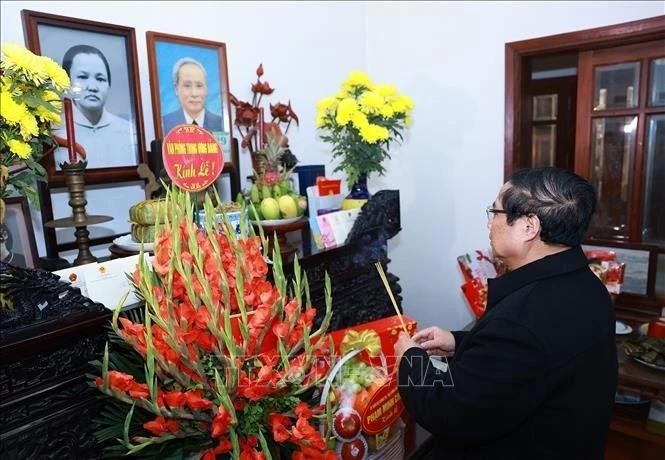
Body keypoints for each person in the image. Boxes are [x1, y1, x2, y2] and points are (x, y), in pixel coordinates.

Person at [395, 167, 617, 459]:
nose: (489, 223)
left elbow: (451, 411)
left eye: (495, 211)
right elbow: (523, 367)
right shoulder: (587, 285)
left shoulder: (522, 321)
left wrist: (409, 362)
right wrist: (458, 341)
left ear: (528, 227)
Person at [52, 45, 137, 169]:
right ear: (68, 83)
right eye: (82, 77)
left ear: (109, 86)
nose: (92, 87)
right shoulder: (55, 132)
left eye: (100, 79)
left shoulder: (128, 132)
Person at [162, 57, 223, 135]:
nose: (194, 93)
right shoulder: (165, 124)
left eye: (199, 86)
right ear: (176, 89)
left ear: (206, 89)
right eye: (187, 86)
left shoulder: (220, 124)